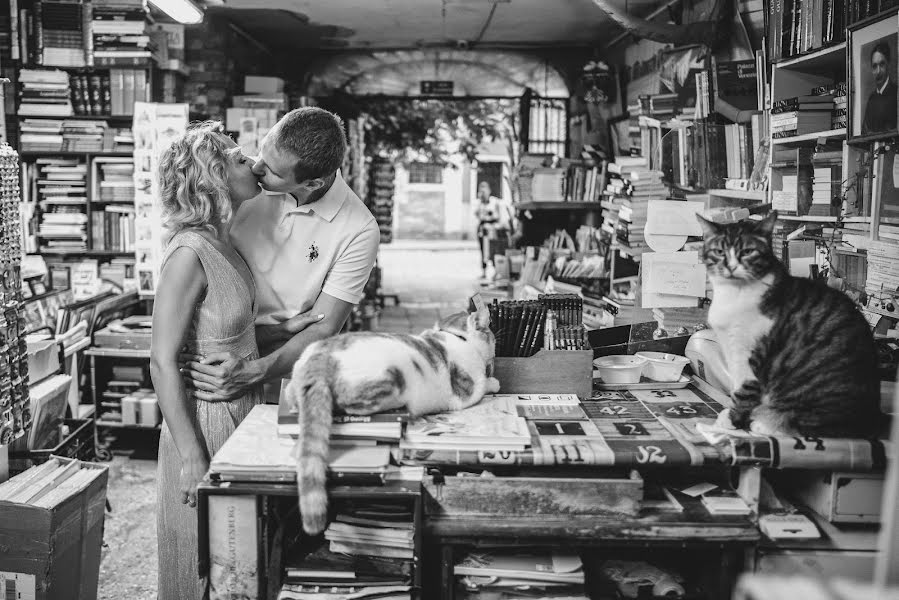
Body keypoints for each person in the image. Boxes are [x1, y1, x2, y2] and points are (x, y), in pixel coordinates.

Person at [150, 122, 326, 599]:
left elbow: (223, 334)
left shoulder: (225, 243)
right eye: (236, 158)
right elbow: (162, 361)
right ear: (212, 176)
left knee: (241, 565)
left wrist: (280, 330)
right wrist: (191, 457)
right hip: (204, 421)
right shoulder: (188, 253)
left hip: (242, 413)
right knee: (203, 565)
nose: (250, 162)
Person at [180, 107, 380, 404]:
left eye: (273, 171)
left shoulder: (358, 229)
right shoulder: (243, 185)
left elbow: (325, 325)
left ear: (312, 183)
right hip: (211, 353)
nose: (257, 167)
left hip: (280, 366)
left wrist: (254, 371)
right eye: (261, 151)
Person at [474, 181, 514, 277]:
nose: (483, 192)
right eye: (481, 190)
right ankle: (484, 272)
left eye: (484, 190)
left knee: (494, 250)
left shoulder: (495, 202)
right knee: (483, 251)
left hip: (493, 230)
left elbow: (500, 217)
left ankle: (497, 272)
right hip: (483, 230)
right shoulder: (479, 204)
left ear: (489, 191)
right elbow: (477, 215)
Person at [862, 42, 897, 135]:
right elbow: (864, 133)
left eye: (882, 65)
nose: (878, 71)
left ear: (888, 65)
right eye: (874, 66)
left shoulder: (896, 94)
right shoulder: (871, 99)